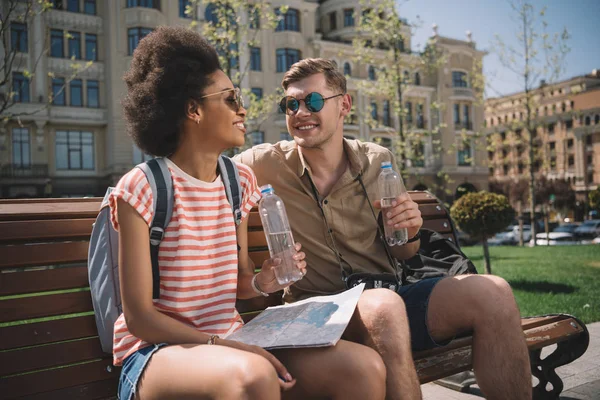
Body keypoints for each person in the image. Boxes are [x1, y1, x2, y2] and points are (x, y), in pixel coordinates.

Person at [111, 28, 385, 400]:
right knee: (255, 376)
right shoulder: (141, 187)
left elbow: (242, 283)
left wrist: (263, 282)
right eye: (229, 99)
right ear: (193, 109)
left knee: (363, 368)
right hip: (155, 353)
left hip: (232, 342)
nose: (242, 109)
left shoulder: (238, 181)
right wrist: (220, 343)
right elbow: (141, 318)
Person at [236, 58, 532, 400]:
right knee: (383, 307)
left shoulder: (379, 161)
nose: (300, 112)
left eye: (313, 101)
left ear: (344, 105)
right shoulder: (261, 163)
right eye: (291, 104)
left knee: (493, 291)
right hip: (316, 313)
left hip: (390, 294)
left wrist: (410, 230)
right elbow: (207, 170)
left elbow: (403, 252)